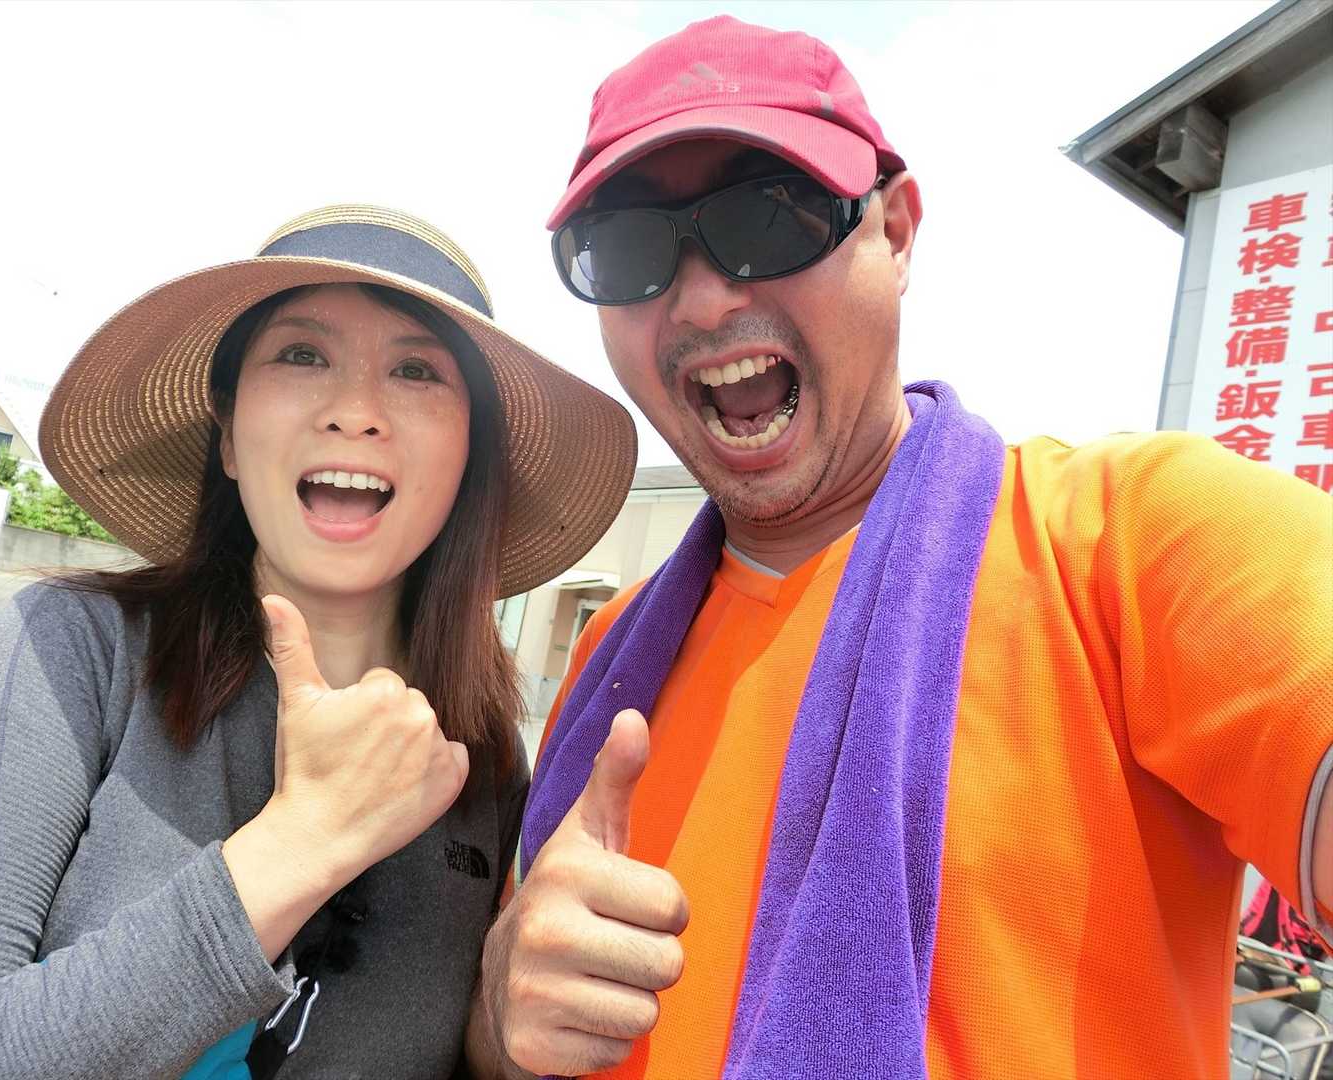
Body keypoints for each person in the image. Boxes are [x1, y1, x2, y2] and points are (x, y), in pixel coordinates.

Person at [465, 16, 1333, 1080]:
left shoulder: (1132, 541)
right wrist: (501, 1007)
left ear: (897, 231)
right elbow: (513, 1023)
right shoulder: (609, 656)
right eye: (630, 249)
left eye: (766, 216)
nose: (701, 297)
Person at [0, 205, 635, 1078]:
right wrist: (299, 845)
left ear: (468, 461)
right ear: (229, 436)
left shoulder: (485, 760)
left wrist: (511, 1037)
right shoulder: (71, 652)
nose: (355, 412)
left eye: (416, 370)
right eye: (302, 355)